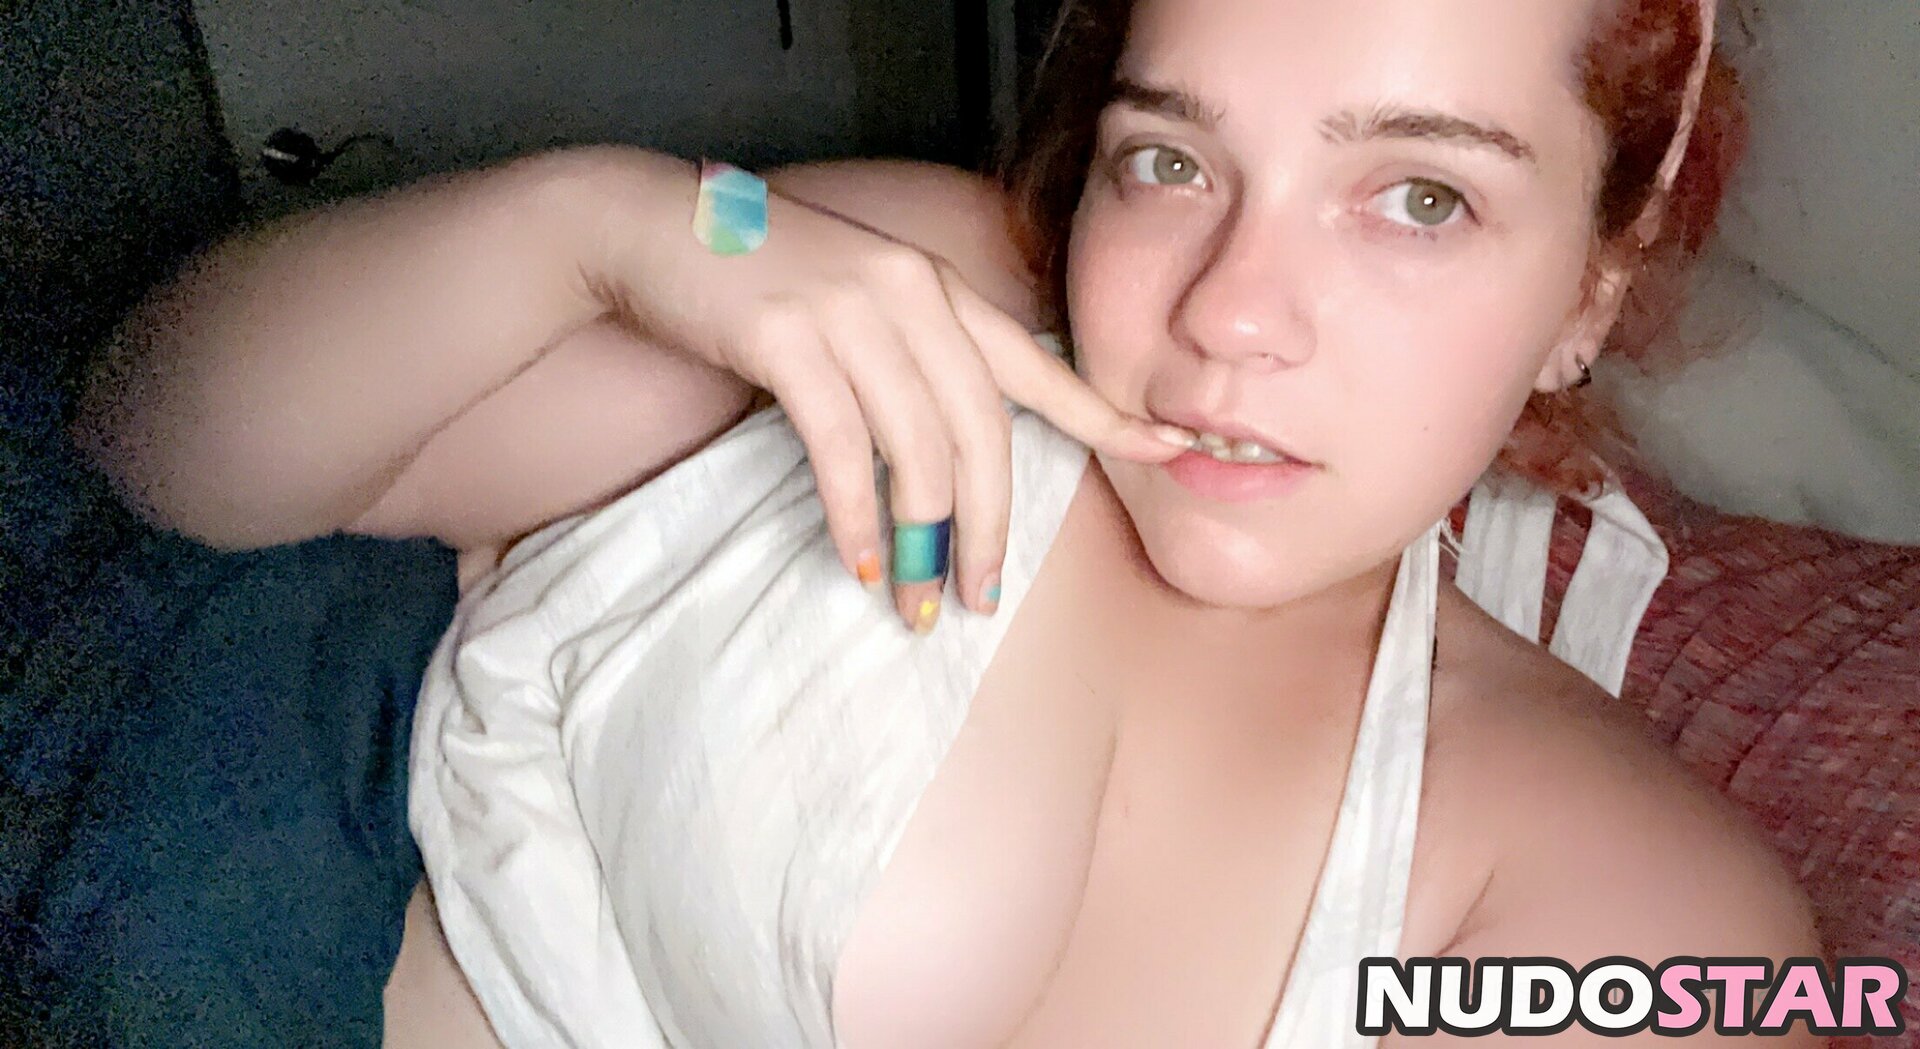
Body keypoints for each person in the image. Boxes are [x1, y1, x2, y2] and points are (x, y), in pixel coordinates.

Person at [76, 0, 1827, 1045]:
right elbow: (155, 446)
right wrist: (594, 228)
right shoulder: (927, 297)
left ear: (1592, 285)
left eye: (1419, 198)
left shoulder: (1645, 916)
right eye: (1170, 160)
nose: (1229, 311)